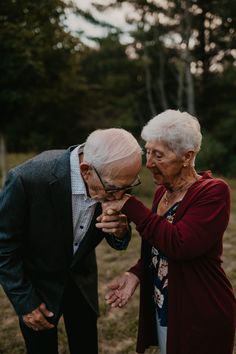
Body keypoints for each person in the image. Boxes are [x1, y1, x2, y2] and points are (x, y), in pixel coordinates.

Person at [97, 110, 236, 354]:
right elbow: (158, 245)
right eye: (148, 151)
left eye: (158, 155)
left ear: (187, 156)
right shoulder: (163, 193)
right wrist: (135, 274)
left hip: (201, 312)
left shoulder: (213, 192)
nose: (148, 163)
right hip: (168, 308)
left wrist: (131, 206)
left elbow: (180, 245)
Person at [0, 128, 143, 354]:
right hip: (38, 288)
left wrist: (120, 231)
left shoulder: (109, 180)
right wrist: (24, 301)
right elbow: (4, 248)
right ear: (86, 171)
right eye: (115, 189)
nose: (120, 197)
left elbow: (119, 241)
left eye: (128, 187)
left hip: (82, 286)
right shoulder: (27, 179)